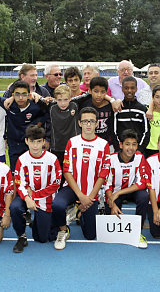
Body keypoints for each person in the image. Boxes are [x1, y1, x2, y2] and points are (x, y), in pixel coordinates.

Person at [52, 107, 110, 250]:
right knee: (57, 205)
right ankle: (63, 230)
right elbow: (66, 170)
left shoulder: (103, 145)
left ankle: (79, 211)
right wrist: (80, 196)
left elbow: (103, 174)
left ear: (97, 123)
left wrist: (88, 198)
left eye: (91, 121)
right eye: (85, 121)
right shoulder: (72, 142)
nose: (88, 125)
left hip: (92, 193)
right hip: (72, 189)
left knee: (90, 235)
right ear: (79, 123)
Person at [0, 80, 49, 171]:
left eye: (24, 94)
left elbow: (46, 113)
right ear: (12, 95)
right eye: (17, 94)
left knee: (30, 171)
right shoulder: (8, 105)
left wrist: (36, 125)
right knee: (15, 172)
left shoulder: (35, 106)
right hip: (13, 144)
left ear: (29, 95)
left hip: (29, 144)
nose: (20, 97)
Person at [11, 125, 61, 253]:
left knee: (42, 238)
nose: (35, 146)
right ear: (26, 141)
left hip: (45, 198)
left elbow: (56, 183)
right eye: (32, 141)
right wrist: (28, 198)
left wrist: (35, 196)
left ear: (44, 142)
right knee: (15, 207)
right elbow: (19, 183)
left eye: (39, 141)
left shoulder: (52, 159)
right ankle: (21, 236)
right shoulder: (22, 159)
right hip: (26, 197)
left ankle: (39, 221)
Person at [105, 129, 149, 249]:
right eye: (127, 144)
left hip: (130, 191)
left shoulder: (140, 158)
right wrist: (112, 203)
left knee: (144, 196)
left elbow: (141, 184)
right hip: (114, 193)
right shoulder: (110, 159)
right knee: (110, 221)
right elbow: (106, 185)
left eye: (134, 144)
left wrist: (119, 192)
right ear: (121, 145)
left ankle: (137, 233)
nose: (131, 148)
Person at [113, 76, 150, 154]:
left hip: (138, 151)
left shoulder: (142, 110)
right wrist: (119, 148)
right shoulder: (117, 110)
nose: (129, 91)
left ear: (136, 89)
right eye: (126, 88)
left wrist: (140, 149)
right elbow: (114, 132)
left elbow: (146, 132)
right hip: (121, 151)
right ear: (122, 89)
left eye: (132, 88)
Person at [48, 84, 81, 168]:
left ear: (70, 98)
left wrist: (111, 100)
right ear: (55, 99)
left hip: (73, 146)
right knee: (59, 171)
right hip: (57, 147)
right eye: (59, 100)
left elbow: (89, 94)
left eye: (66, 99)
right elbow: (34, 97)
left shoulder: (75, 104)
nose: (63, 103)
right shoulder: (51, 107)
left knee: (73, 170)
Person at [81, 77, 117, 147]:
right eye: (96, 91)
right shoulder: (85, 104)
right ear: (90, 91)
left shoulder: (111, 106)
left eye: (102, 92)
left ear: (106, 92)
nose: (99, 95)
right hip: (89, 143)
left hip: (107, 143)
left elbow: (113, 127)